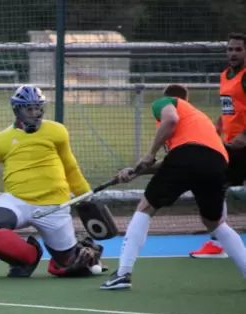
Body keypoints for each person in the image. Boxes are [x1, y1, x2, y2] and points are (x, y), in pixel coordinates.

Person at [0, 85, 110, 278]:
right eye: (28, 109)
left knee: (69, 265)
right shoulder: (2, 139)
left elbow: (70, 167)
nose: (34, 113)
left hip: (55, 204)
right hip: (17, 200)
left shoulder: (57, 131)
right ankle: (28, 258)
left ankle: (78, 254)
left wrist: (85, 195)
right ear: (17, 110)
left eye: (37, 108)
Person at [100, 84, 246, 290]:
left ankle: (122, 273)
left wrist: (150, 153)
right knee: (215, 222)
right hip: (217, 164)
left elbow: (171, 121)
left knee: (145, 208)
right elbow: (176, 163)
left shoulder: (166, 103)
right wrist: (136, 171)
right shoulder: (199, 120)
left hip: (187, 158)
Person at [190, 32, 246, 259]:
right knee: (216, 185)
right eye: (230, 49)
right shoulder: (226, 75)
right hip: (231, 146)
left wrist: (244, 134)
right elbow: (230, 108)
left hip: (242, 144)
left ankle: (217, 243)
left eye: (238, 49)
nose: (232, 53)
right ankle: (217, 243)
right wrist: (216, 129)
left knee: (215, 185)